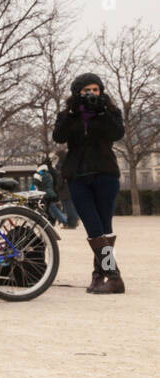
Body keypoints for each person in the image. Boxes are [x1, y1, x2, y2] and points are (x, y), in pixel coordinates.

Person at [53, 73, 126, 294]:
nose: (92, 94)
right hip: (77, 177)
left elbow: (117, 133)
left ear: (101, 91)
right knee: (93, 227)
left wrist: (103, 111)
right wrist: (73, 112)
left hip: (105, 174)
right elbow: (58, 136)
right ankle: (112, 276)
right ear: (77, 93)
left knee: (104, 227)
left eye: (96, 90)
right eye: (86, 91)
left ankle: (100, 275)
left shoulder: (110, 112)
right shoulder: (68, 114)